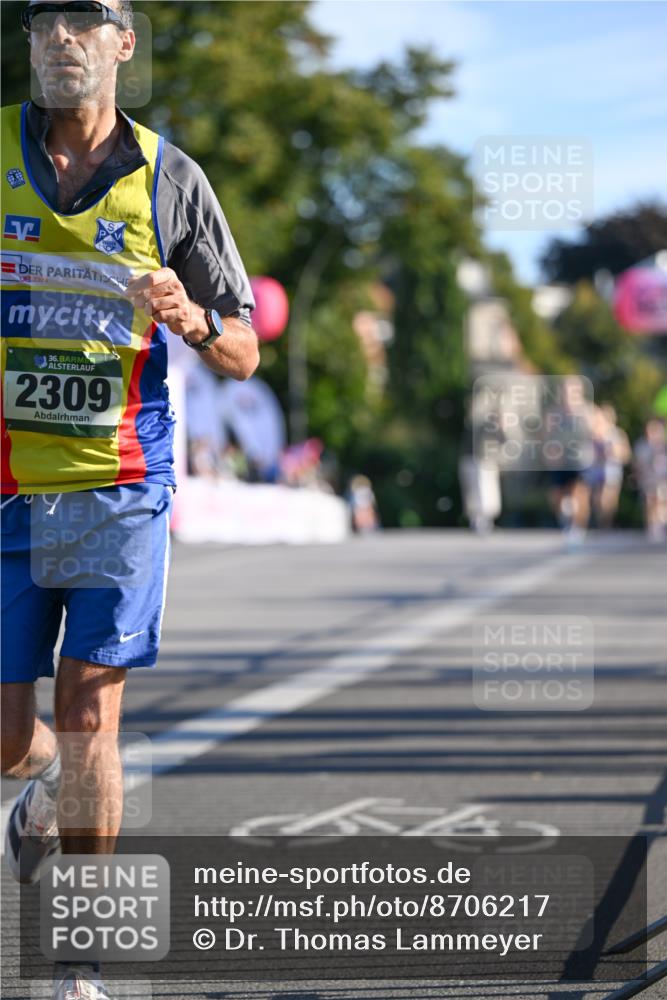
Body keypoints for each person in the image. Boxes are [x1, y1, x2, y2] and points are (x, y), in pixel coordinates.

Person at [1, 3, 258, 997]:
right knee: (14, 738)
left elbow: (244, 350)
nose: (61, 38)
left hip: (120, 484)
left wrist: (193, 318)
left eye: (86, 19)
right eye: (44, 21)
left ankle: (80, 964)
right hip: (8, 487)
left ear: (123, 42)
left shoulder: (171, 179)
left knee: (89, 718)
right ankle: (38, 792)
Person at [633, 418, 667, 542]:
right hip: (648, 477)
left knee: (661, 501)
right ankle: (652, 526)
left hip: (662, 478)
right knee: (650, 501)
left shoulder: (663, 445)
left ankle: (661, 524)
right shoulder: (642, 446)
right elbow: (638, 463)